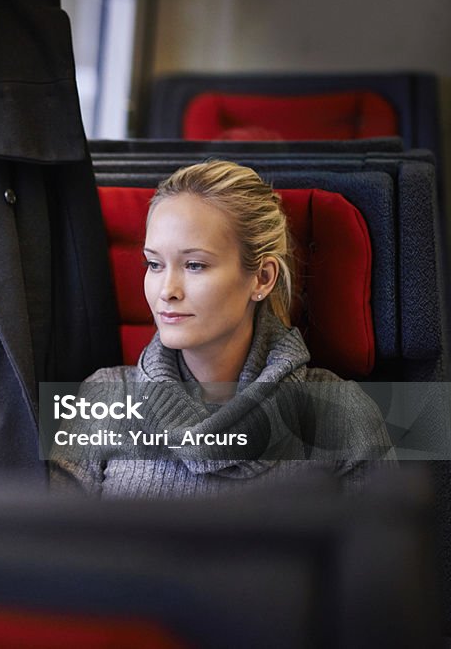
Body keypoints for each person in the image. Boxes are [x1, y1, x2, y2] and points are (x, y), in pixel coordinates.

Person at [50, 160, 393, 497]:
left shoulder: (342, 415)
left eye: (195, 265)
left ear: (262, 278)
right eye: (154, 264)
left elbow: (385, 551)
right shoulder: (103, 399)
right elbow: (53, 550)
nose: (167, 290)